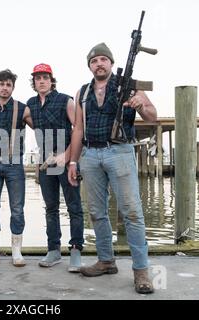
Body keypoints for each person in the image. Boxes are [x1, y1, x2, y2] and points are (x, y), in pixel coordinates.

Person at [68, 43, 157, 294]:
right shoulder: (82, 92)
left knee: (132, 212)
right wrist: (73, 162)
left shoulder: (128, 84)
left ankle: (141, 271)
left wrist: (140, 104)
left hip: (119, 151)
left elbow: (152, 115)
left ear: (110, 63)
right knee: (96, 211)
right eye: (94, 60)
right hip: (90, 154)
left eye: (103, 59)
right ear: (90, 66)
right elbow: (78, 129)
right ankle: (106, 261)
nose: (99, 64)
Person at [27, 63, 84, 271]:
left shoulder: (65, 100)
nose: (41, 81)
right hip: (46, 163)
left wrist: (67, 156)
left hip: (67, 161)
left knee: (74, 207)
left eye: (45, 77)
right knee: (51, 208)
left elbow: (79, 129)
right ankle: (54, 251)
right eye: (37, 78)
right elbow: (17, 116)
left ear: (52, 80)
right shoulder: (31, 104)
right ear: (33, 82)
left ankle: (76, 252)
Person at [0, 69, 33, 267]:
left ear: (12, 87)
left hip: (15, 164)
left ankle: (16, 252)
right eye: (1, 84)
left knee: (17, 209)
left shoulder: (23, 109)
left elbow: (39, 126)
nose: (4, 87)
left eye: (8, 84)